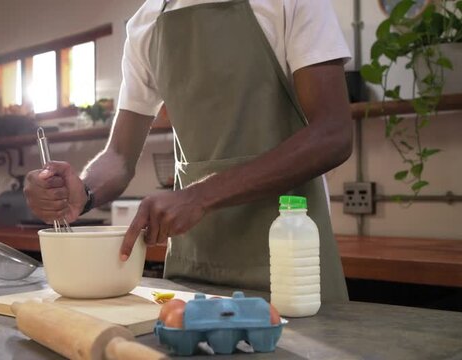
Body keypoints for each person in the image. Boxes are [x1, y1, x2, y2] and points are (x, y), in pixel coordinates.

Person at [24, 0, 353, 301]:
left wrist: (200, 196)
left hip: (293, 264)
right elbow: (120, 155)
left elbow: (332, 134)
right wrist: (84, 191)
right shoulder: (146, 24)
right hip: (195, 272)